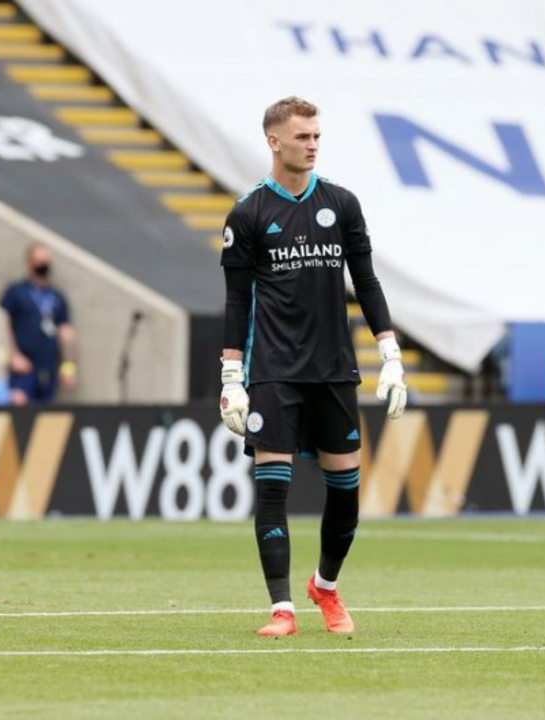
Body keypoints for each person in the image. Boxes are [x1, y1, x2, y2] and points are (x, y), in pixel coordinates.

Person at [218, 97, 407, 638]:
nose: (313, 144)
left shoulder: (341, 204)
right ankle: (282, 609)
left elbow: (366, 282)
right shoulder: (249, 213)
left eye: (317, 135)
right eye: (302, 136)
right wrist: (231, 377)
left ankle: (325, 586)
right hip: (273, 370)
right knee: (272, 490)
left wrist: (390, 354)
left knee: (345, 491)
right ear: (274, 141)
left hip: (334, 370)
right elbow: (236, 301)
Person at [0, 242, 77, 405]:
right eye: (39, 261)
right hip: (24, 366)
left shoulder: (57, 296)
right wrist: (12, 355)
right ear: (29, 262)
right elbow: (3, 324)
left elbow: (65, 331)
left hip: (48, 367)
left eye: (46, 262)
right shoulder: (16, 292)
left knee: (46, 412)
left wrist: (68, 366)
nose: (43, 266)